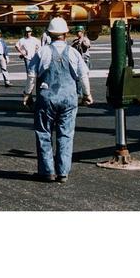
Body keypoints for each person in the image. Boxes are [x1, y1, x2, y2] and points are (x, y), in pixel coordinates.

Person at [24, 16, 93, 182]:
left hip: (47, 98)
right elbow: (83, 75)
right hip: (69, 99)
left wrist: (27, 94)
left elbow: (31, 75)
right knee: (66, 134)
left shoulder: (42, 51)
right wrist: (87, 95)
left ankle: (47, 172)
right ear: (66, 34)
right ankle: (63, 172)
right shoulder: (74, 52)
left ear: (49, 33)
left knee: (44, 133)